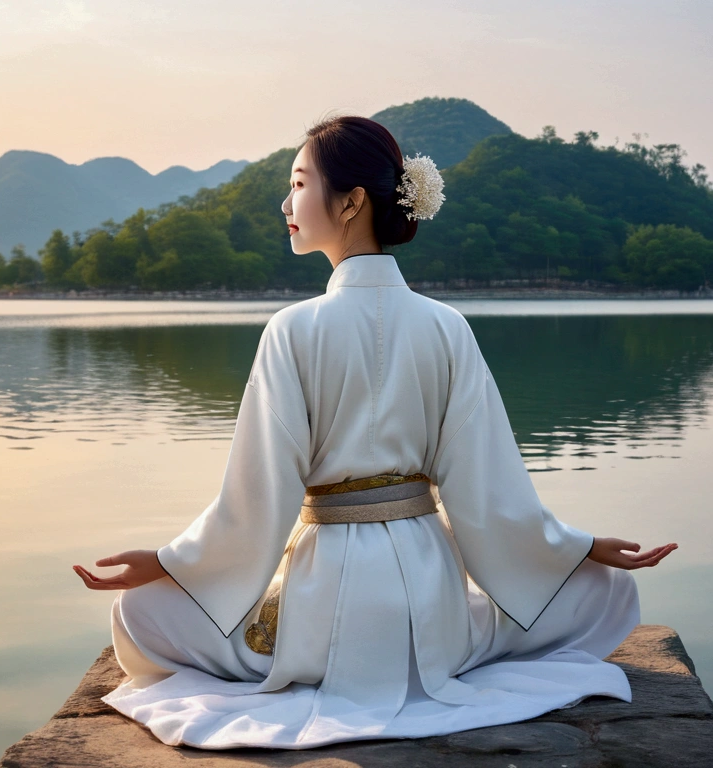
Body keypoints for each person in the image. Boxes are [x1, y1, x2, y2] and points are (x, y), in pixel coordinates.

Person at [73, 115, 677, 750]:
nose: (286, 202)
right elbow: (489, 492)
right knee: (607, 589)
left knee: (138, 612)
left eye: (299, 182)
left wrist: (173, 563)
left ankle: (308, 663)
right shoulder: (448, 328)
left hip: (322, 596)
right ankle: (443, 653)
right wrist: (574, 549)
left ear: (353, 201)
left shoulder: (293, 329)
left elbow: (257, 500)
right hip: (430, 602)